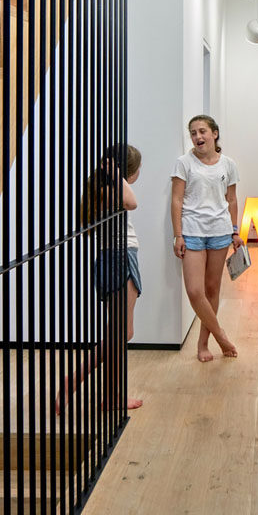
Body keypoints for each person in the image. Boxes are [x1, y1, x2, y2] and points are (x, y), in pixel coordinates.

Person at [57, 143, 143, 414]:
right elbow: (133, 203)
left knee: (118, 334)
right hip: (119, 259)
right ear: (129, 172)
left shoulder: (101, 189)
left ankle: (110, 395)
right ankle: (77, 380)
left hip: (112, 259)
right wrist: (117, 176)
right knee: (122, 333)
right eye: (138, 168)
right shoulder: (111, 189)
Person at [171, 114, 242, 362]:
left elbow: (231, 199)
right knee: (194, 291)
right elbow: (177, 200)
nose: (197, 137)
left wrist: (235, 230)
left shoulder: (228, 164)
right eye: (193, 132)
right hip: (191, 232)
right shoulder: (184, 162)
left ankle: (203, 344)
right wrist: (177, 235)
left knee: (212, 289)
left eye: (202, 131)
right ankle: (221, 335)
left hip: (220, 231)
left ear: (214, 133)